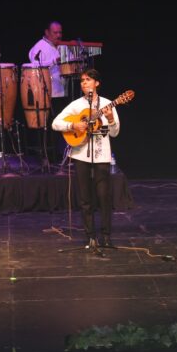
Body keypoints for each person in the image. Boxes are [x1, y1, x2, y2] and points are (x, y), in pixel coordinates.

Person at [52, 69, 120, 248]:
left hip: (102, 156)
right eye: (82, 80)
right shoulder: (76, 105)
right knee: (85, 198)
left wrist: (111, 118)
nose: (84, 83)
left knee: (104, 196)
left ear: (97, 83)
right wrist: (73, 124)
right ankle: (91, 236)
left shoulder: (108, 104)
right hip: (81, 155)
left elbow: (114, 133)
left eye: (88, 80)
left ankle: (106, 235)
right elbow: (55, 123)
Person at [28, 20, 66, 99]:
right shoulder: (40, 47)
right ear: (47, 32)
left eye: (60, 32)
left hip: (63, 91)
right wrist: (54, 61)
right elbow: (35, 66)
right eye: (55, 33)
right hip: (48, 93)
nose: (58, 35)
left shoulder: (63, 46)